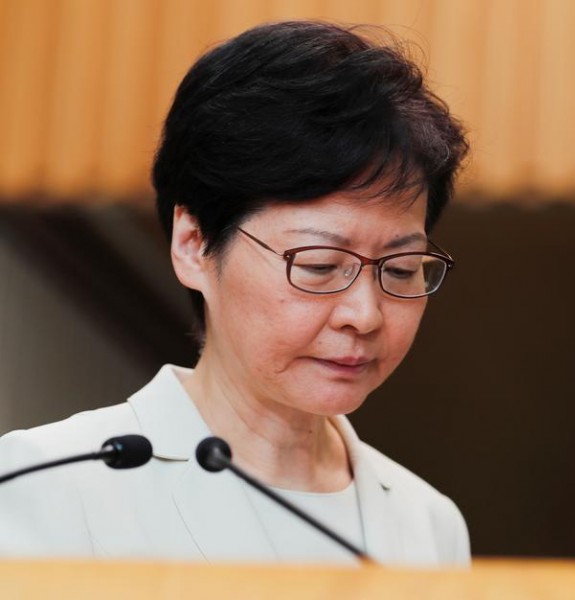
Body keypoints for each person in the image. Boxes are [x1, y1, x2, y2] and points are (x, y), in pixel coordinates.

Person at [0, 20, 469, 565]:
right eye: (319, 265)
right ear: (194, 244)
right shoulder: (47, 483)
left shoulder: (428, 524)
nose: (365, 314)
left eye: (402, 268)